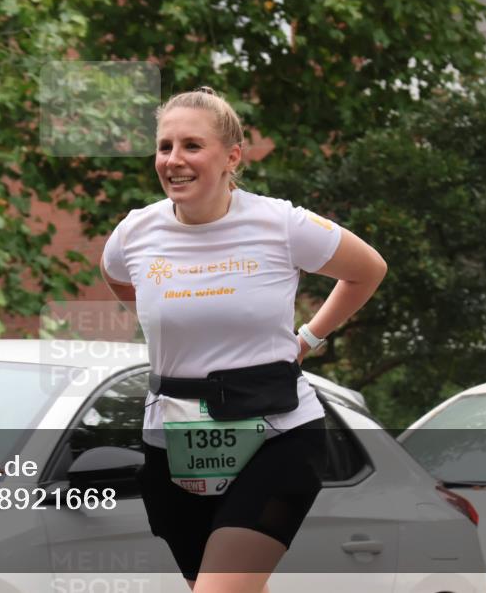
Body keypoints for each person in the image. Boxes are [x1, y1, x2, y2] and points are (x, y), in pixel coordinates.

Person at [100, 87, 388, 593]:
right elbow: (121, 280)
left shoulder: (279, 223)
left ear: (232, 156)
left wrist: (310, 337)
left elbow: (368, 270)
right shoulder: (134, 233)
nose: (174, 160)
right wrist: (179, 326)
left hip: (278, 434)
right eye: (165, 147)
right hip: (174, 439)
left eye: (192, 145)